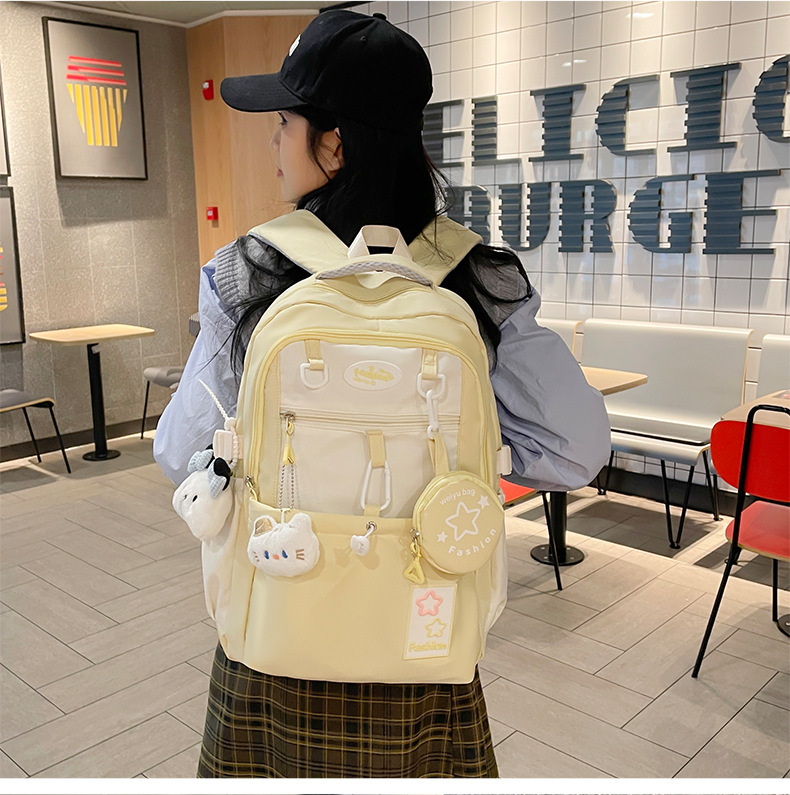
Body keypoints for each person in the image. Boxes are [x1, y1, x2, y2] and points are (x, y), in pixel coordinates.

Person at [154, 9, 609, 778]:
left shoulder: (247, 273)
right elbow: (577, 450)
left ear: (333, 143)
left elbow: (178, 453)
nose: (273, 142)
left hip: (277, 635)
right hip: (425, 642)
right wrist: (466, 458)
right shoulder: (478, 276)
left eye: (284, 123)